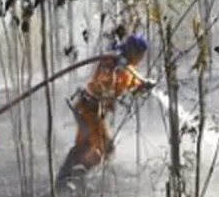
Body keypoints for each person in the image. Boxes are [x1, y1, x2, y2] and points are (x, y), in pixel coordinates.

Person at [56, 33, 155, 185]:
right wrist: (116, 70)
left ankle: (65, 178)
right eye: (140, 54)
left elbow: (133, 87)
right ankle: (76, 175)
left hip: (93, 111)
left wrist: (143, 86)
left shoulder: (128, 68)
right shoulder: (111, 61)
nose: (141, 58)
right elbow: (103, 84)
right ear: (133, 51)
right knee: (106, 147)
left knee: (85, 145)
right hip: (89, 108)